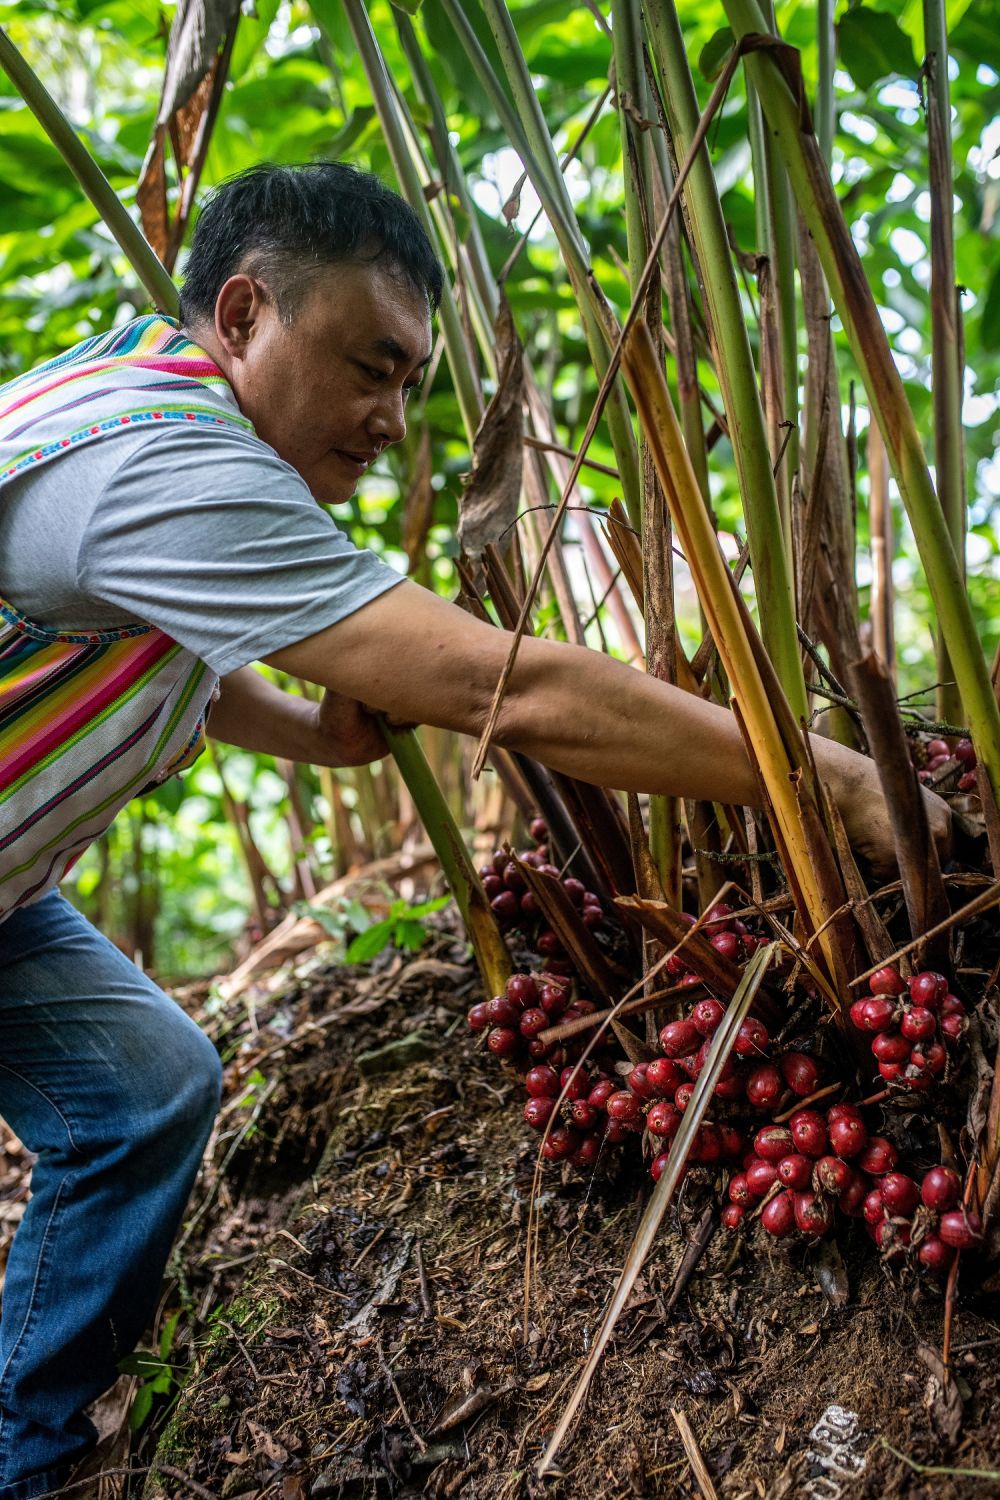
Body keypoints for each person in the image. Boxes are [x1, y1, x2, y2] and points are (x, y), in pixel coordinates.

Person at [0, 162, 949, 1493]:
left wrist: (314, 733)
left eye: (411, 385)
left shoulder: (125, 389)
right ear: (243, 313)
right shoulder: (167, 464)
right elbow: (504, 687)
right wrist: (831, 781)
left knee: (144, 1090)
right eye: (370, 365)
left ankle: (25, 1464)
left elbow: (145, 649)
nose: (393, 419)